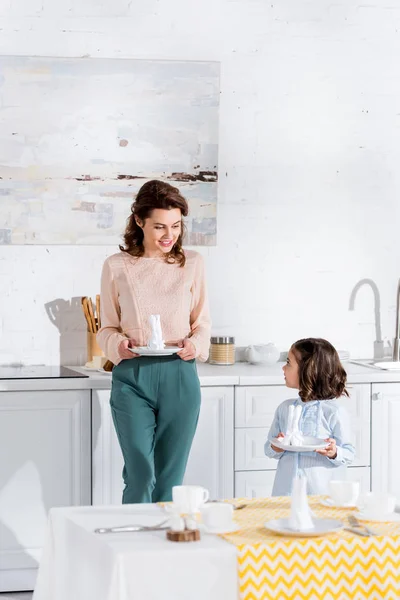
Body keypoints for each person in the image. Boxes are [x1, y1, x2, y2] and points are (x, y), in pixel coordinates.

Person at [97, 180, 211, 504]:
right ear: (139, 221)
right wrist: (117, 345)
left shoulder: (193, 263)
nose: (168, 235)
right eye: (159, 226)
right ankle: (132, 548)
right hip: (133, 378)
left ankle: (164, 550)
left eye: (175, 226)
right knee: (140, 474)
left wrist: (195, 345)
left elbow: (202, 323)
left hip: (180, 376)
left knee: (170, 481)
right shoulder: (116, 266)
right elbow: (106, 328)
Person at [264, 338, 355, 496]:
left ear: (308, 370)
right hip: (286, 492)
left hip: (320, 495)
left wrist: (334, 451)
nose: (283, 368)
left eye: (288, 363)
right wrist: (276, 446)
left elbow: (349, 454)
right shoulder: (285, 408)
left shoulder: (333, 412)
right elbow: (268, 448)